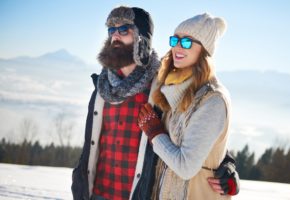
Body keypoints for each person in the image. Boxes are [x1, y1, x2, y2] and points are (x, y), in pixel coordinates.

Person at [72, 6, 239, 200]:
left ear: (141, 39)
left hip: (138, 194)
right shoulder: (102, 87)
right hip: (97, 193)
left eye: (124, 29)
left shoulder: (163, 86)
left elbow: (198, 132)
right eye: (111, 30)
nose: (115, 36)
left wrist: (227, 166)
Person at [138, 13, 236, 199]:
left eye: (187, 42)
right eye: (175, 40)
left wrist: (155, 133)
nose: (177, 46)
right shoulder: (171, 89)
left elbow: (185, 167)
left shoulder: (212, 99)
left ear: (205, 51)